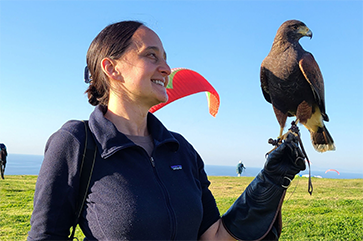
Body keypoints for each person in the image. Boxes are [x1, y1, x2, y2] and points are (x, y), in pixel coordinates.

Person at [28, 21, 306, 241]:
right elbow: (45, 236)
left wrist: (270, 180)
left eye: (166, 58)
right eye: (151, 55)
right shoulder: (76, 142)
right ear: (111, 68)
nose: (167, 68)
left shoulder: (180, 148)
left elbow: (214, 235)